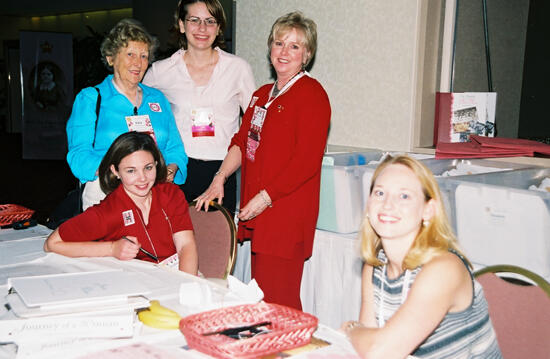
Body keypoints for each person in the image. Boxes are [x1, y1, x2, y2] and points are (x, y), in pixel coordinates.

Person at [196, 11, 331, 310]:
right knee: (262, 298)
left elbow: (306, 162)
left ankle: (288, 353)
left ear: (306, 54)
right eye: (279, 43)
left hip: (285, 214)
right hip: (260, 210)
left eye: (295, 46)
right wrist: (220, 178)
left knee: (278, 301)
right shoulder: (260, 95)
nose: (284, 52)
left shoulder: (311, 94)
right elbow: (241, 143)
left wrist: (265, 198)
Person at [341, 155, 502, 359]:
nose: (387, 205)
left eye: (404, 196)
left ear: (428, 210)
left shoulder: (443, 269)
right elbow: (366, 350)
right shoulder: (375, 266)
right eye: (380, 193)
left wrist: (352, 330)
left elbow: (378, 351)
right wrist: (363, 336)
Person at [143, 0, 255, 216]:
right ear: (182, 25)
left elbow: (254, 128)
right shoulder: (160, 72)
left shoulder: (238, 69)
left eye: (210, 21)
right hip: (176, 171)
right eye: (194, 20)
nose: (202, 29)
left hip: (222, 172)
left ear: (219, 27)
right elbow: (139, 119)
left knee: (215, 244)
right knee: (173, 246)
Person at [66, 18, 188, 211]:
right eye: (130, 54)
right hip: (107, 193)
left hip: (155, 193)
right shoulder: (91, 98)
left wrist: (170, 170)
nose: (137, 63)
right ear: (111, 58)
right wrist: (119, 174)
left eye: (143, 56)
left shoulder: (157, 98)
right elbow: (79, 155)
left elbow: (175, 148)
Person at [45, 132, 198, 275]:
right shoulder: (109, 210)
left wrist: (186, 286)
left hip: (179, 276)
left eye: (148, 168)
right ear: (116, 171)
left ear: (156, 164)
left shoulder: (171, 195)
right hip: (136, 284)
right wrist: (112, 248)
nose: (142, 178)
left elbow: (186, 246)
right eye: (131, 171)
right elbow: (52, 244)